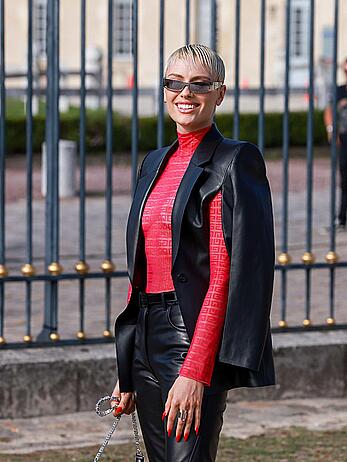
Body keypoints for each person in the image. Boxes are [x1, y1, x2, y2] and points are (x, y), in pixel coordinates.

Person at [111, 44, 276, 462]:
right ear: (164, 90)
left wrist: (195, 370)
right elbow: (142, 268)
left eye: (199, 84)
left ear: (219, 93)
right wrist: (127, 365)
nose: (185, 93)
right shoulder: (154, 162)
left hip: (190, 338)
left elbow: (226, 273)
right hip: (145, 334)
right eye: (175, 82)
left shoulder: (234, 160)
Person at [324, 57, 347, 231]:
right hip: (344, 138)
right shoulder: (339, 90)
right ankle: (341, 218)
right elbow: (329, 110)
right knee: (344, 179)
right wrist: (331, 130)